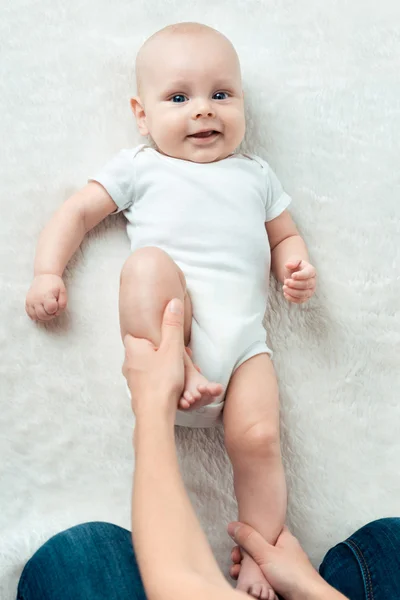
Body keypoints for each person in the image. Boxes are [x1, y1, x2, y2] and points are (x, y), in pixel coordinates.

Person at [24, 21, 319, 598]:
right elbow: (79, 213)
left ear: (242, 103)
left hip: (241, 353)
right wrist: (47, 272)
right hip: (164, 350)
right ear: (142, 114)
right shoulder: (141, 166)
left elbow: (285, 237)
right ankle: (180, 365)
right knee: (145, 266)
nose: (204, 111)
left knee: (261, 440)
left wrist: (296, 268)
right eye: (179, 98)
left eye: (221, 94)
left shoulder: (256, 175)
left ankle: (262, 551)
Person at [17, 300, 400, 600]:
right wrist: (308, 588)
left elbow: (180, 584)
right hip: (223, 337)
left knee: (80, 555)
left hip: (231, 343)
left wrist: (150, 408)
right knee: (388, 543)